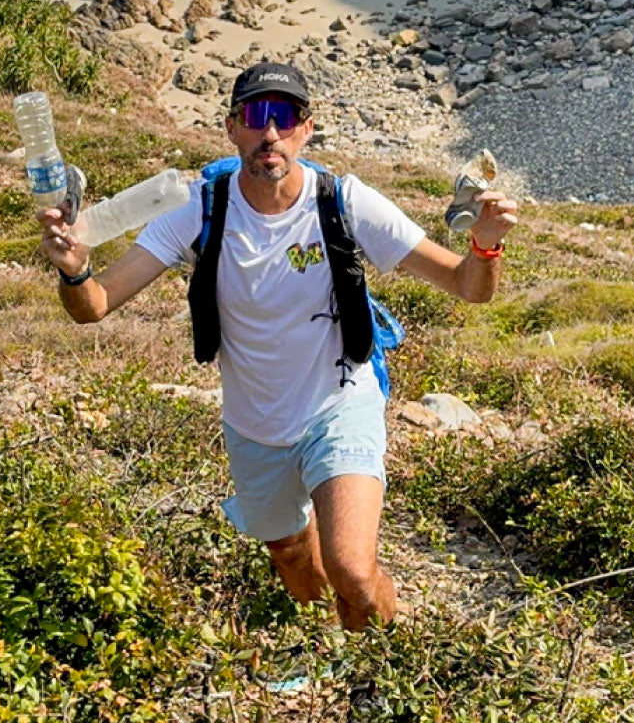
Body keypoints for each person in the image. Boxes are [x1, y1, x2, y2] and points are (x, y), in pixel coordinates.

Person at [36, 61, 517, 631]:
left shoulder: (344, 202)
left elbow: (467, 286)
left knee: (352, 571)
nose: (270, 133)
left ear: (306, 130)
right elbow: (94, 305)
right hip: (254, 425)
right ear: (231, 128)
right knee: (290, 552)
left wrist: (485, 248)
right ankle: (327, 649)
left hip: (340, 404)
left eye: (285, 117)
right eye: (255, 116)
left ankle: (386, 660)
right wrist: (74, 270)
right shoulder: (198, 209)